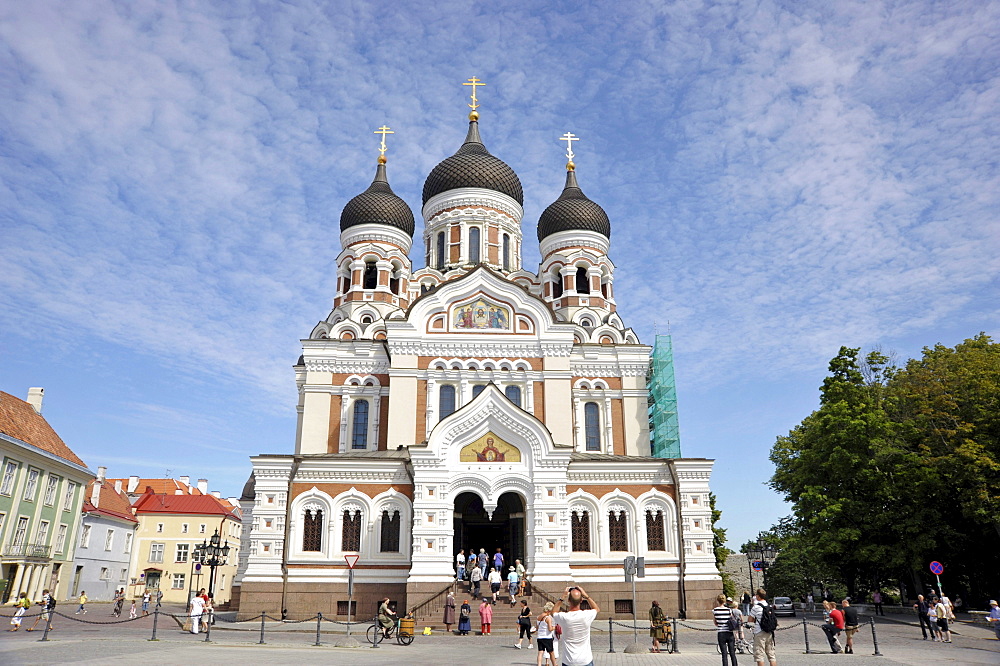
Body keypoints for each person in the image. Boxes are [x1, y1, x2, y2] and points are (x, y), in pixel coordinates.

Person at [553, 585, 601, 666]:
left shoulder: (564, 617)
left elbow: (553, 612)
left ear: (568, 600)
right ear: (581, 600)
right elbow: (596, 609)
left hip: (569, 660)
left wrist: (562, 597)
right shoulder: (586, 615)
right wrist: (587, 596)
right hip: (585, 660)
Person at [748, 588, 777, 666]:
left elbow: (750, 620)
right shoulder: (769, 606)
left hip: (759, 631)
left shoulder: (756, 607)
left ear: (758, 596)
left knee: (759, 655)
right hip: (770, 632)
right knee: (771, 655)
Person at [714, 593, 738, 665]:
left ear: (718, 601)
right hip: (729, 632)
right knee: (732, 653)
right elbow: (732, 619)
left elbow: (715, 623)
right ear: (724, 601)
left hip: (721, 633)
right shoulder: (729, 610)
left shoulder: (715, 610)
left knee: (724, 654)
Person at [536, 602, 557, 666]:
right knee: (551, 652)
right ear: (548, 611)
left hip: (539, 637)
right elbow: (550, 629)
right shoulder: (548, 618)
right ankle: (554, 664)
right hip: (547, 637)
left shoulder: (538, 617)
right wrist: (555, 627)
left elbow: (537, 628)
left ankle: (539, 665)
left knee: (540, 652)